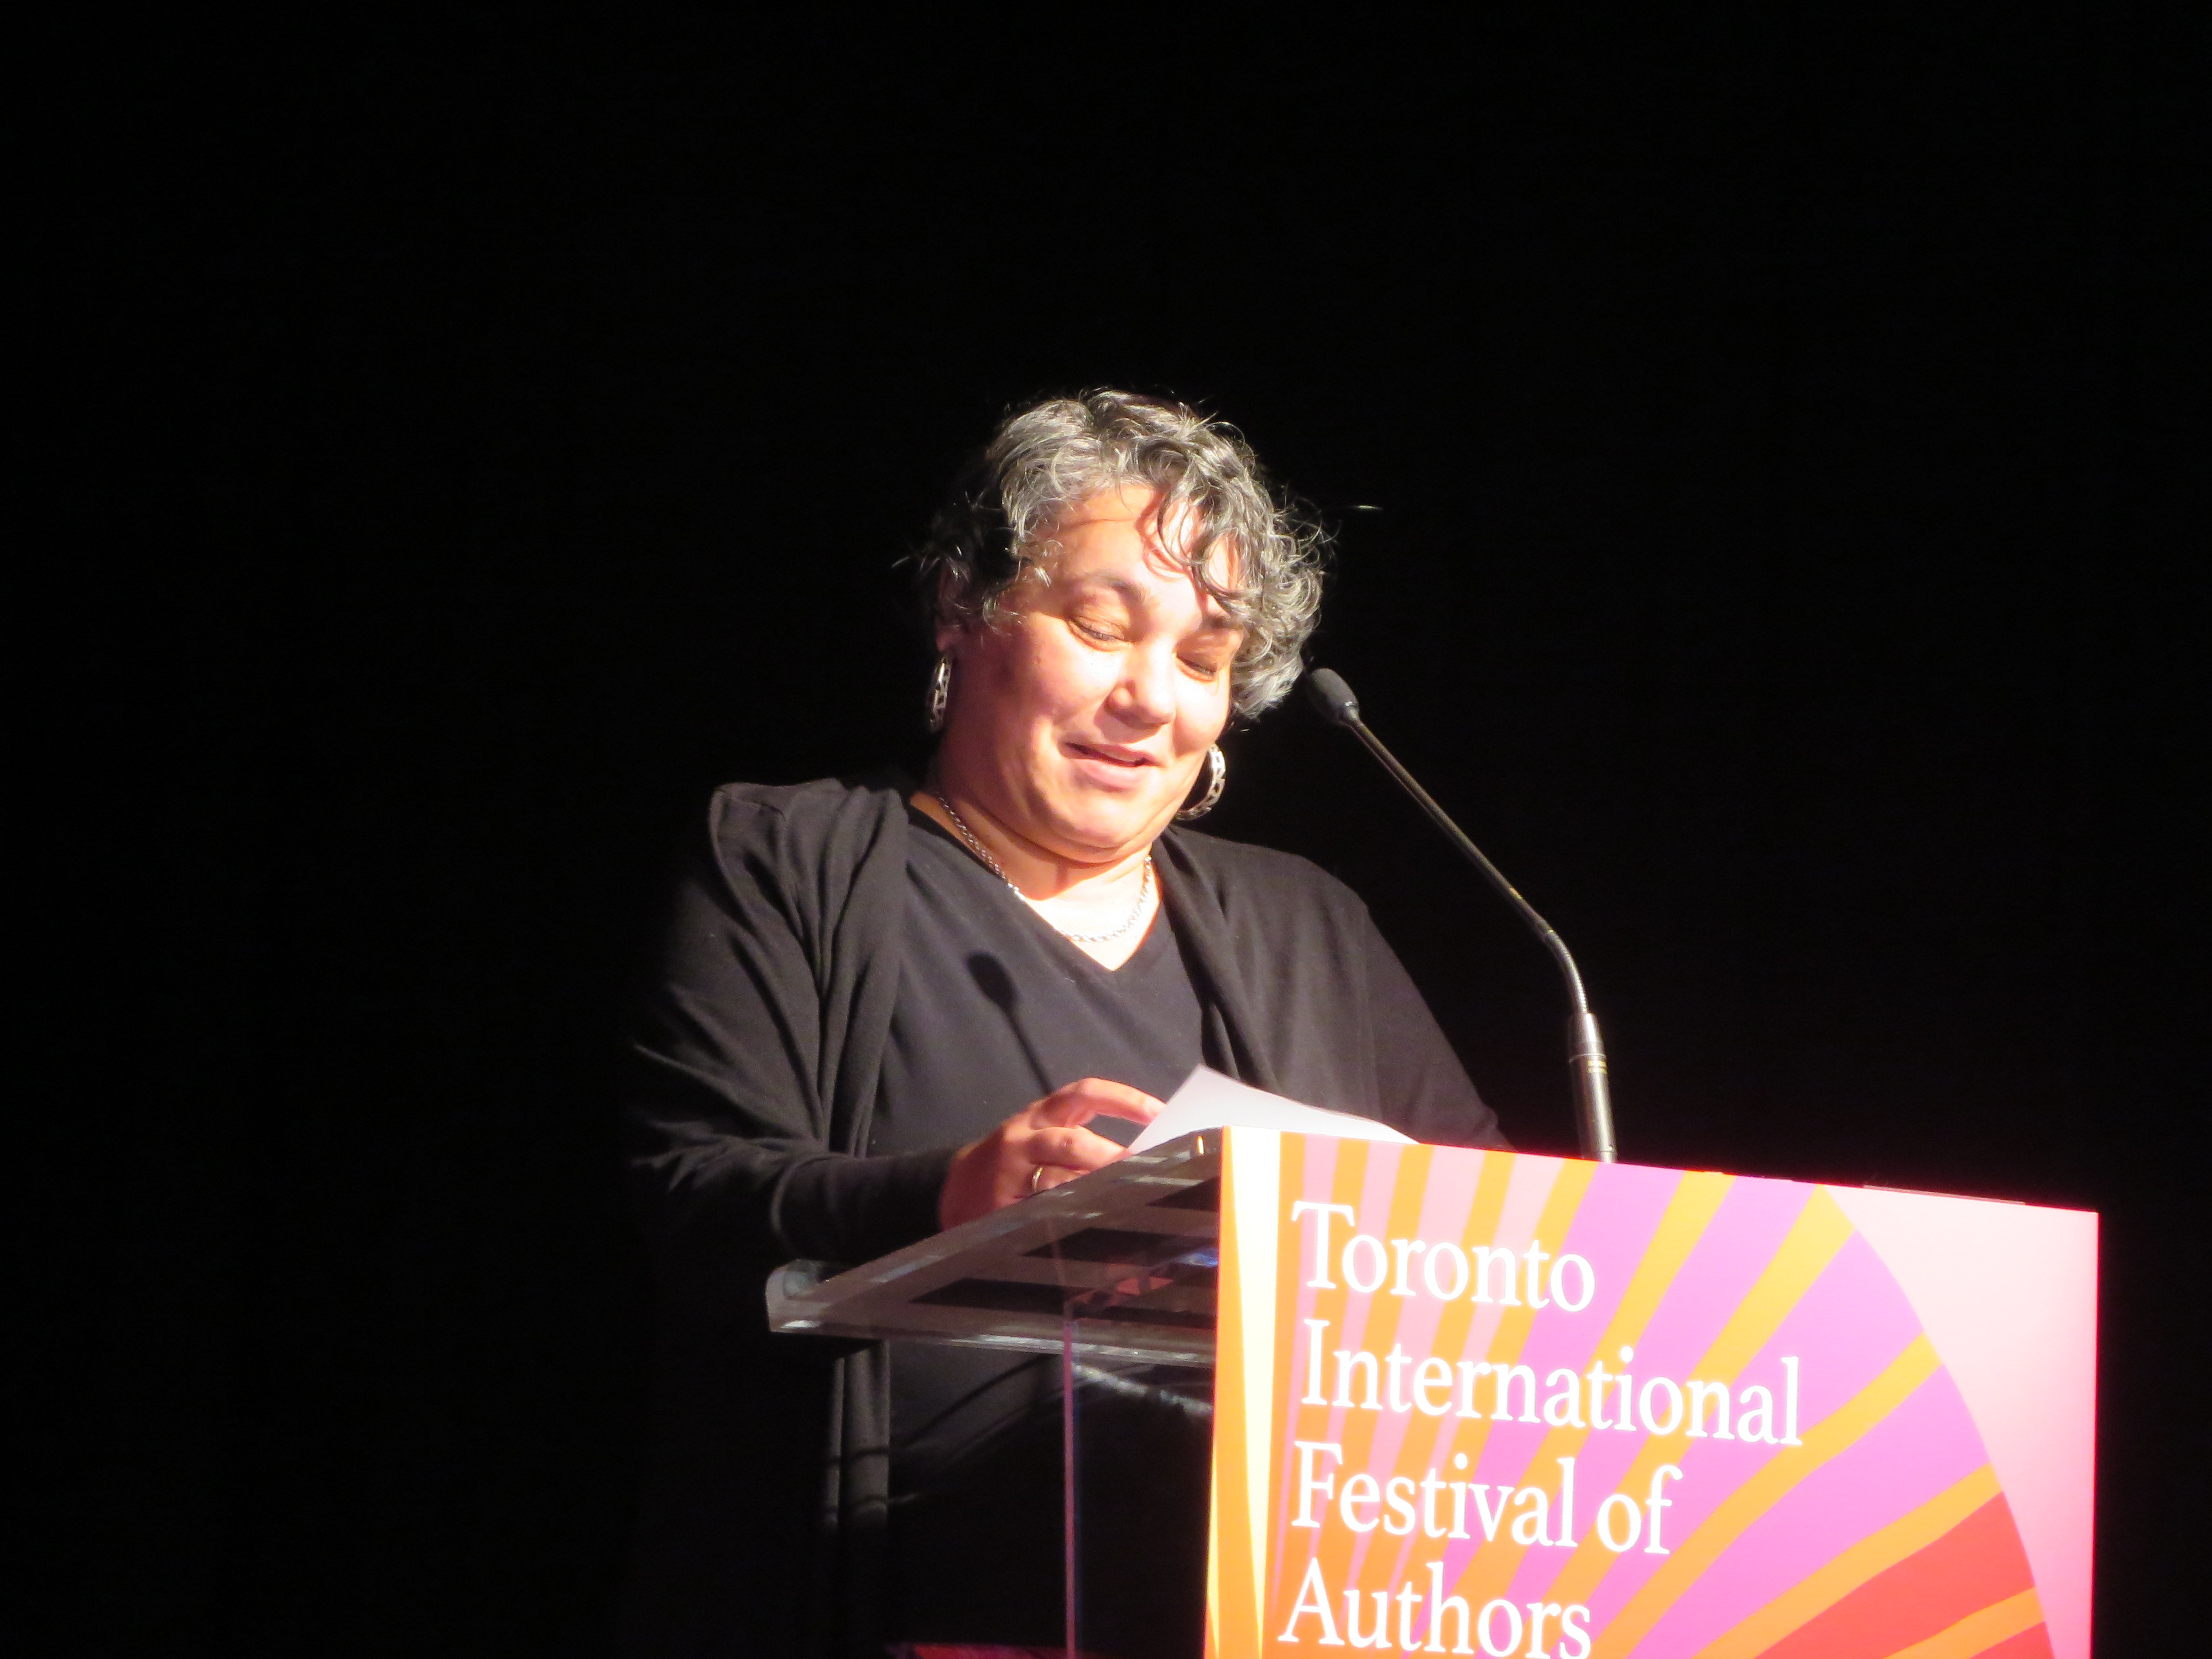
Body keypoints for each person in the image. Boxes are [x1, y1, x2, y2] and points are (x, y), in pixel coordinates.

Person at [619, 392, 1507, 1659]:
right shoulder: (783, 857)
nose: (1150, 698)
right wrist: (946, 1197)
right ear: (962, 608)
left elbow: (1493, 1242)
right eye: (1101, 627)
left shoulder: (1307, 925)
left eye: (1202, 659)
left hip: (1249, 1611)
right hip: (895, 1603)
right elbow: (685, 1200)